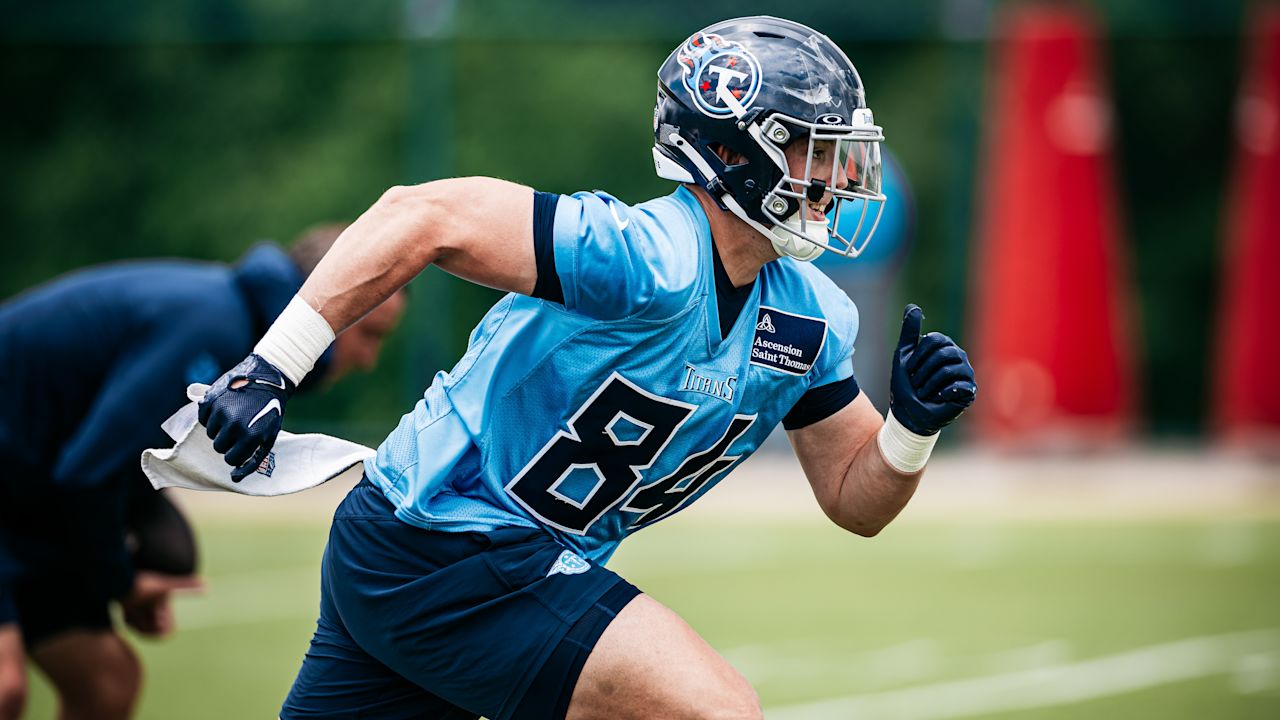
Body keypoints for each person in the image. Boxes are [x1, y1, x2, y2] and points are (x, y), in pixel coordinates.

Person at [197, 16, 976, 720]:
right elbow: (420, 214)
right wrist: (273, 366)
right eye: (816, 148)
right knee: (716, 712)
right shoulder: (645, 259)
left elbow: (854, 500)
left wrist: (910, 431)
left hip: (438, 553)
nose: (841, 179)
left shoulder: (812, 315)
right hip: (450, 541)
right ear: (735, 153)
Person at [0, 225, 407, 720]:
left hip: (27, 495)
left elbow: (103, 464)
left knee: (106, 683)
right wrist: (120, 581)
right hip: (25, 490)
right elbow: (88, 473)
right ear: (328, 308)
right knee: (5, 684)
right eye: (368, 334)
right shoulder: (214, 327)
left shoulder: (238, 336)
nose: (368, 360)